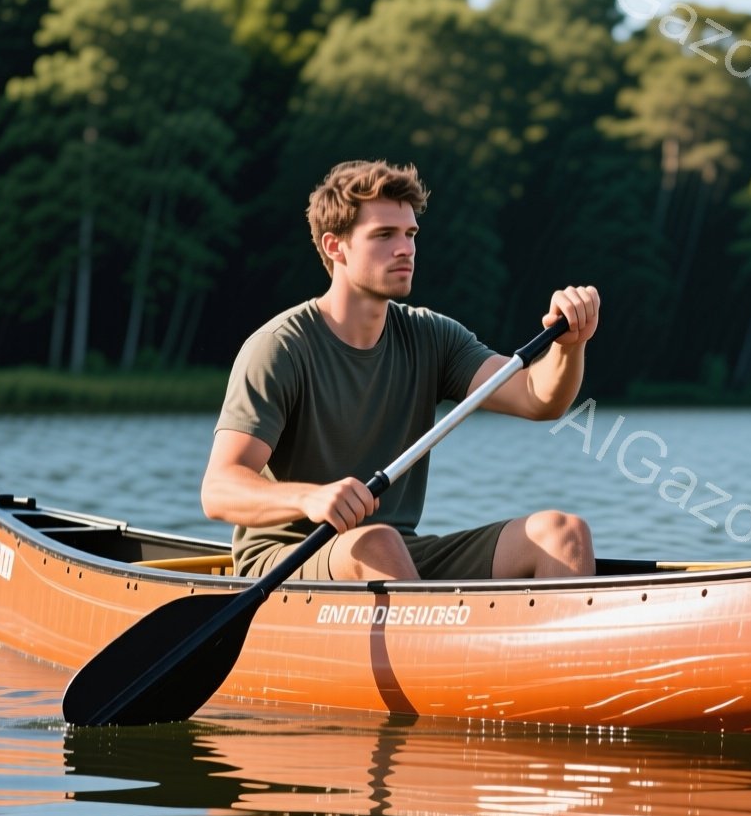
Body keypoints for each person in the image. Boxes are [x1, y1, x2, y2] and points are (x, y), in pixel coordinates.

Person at [201, 159, 600, 582]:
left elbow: (537, 398)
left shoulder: (430, 335)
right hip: (287, 560)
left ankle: (553, 650)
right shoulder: (281, 346)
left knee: (564, 533)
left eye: (410, 234)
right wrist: (311, 499)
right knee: (377, 542)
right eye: (384, 235)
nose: (405, 248)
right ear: (336, 247)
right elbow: (219, 489)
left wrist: (569, 346)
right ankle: (437, 646)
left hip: (394, 550)